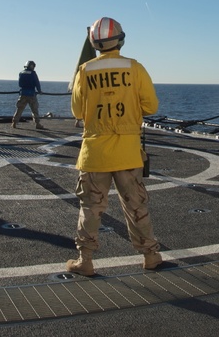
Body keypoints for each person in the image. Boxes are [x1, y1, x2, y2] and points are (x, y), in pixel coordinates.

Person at [66, 17, 163, 276]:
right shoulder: (135, 68)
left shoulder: (84, 71)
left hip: (95, 153)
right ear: (120, 39)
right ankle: (151, 256)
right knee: (136, 206)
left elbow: (77, 110)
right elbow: (151, 106)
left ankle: (84, 261)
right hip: (128, 153)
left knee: (90, 208)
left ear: (94, 43)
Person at [12, 60, 46, 130]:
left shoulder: (21, 73)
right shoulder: (33, 73)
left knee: (19, 109)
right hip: (31, 94)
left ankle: (14, 122)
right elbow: (37, 83)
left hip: (23, 93)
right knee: (34, 109)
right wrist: (39, 91)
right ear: (32, 66)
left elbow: (20, 84)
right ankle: (37, 123)